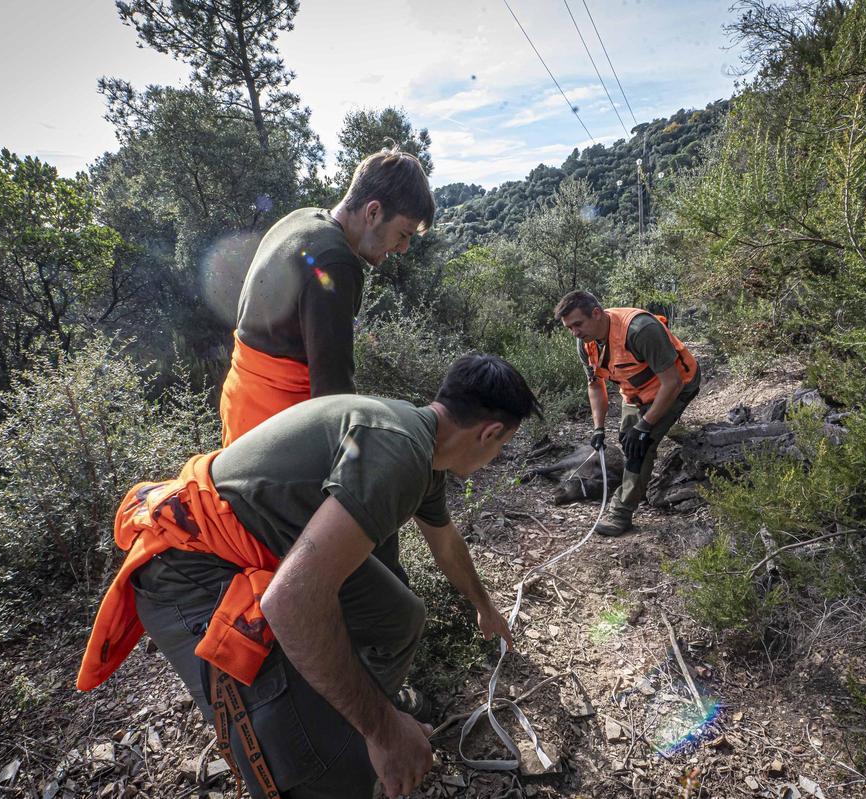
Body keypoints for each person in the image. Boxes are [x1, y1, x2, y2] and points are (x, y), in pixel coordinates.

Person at [77, 354, 542, 799]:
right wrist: (383, 731)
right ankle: (342, 747)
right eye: (502, 446)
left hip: (260, 548)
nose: (496, 456)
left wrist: (484, 607)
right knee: (317, 769)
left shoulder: (416, 441)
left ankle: (348, 722)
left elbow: (446, 544)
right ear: (490, 432)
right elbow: (291, 601)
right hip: (190, 566)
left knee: (398, 617)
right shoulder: (399, 450)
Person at [219, 147, 435, 447]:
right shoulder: (335, 261)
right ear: (373, 212)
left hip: (240, 403)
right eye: (403, 234)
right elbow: (332, 396)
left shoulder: (301, 219)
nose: (403, 249)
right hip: (276, 428)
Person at [553, 291, 700, 536]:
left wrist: (645, 426)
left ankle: (620, 514)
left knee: (640, 446)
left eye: (578, 324)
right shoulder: (586, 342)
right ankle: (636, 485)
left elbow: (672, 383)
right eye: (569, 328)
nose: (575, 333)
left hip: (677, 385)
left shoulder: (641, 330)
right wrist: (598, 428)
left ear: (597, 313)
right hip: (636, 392)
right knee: (628, 440)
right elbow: (595, 386)